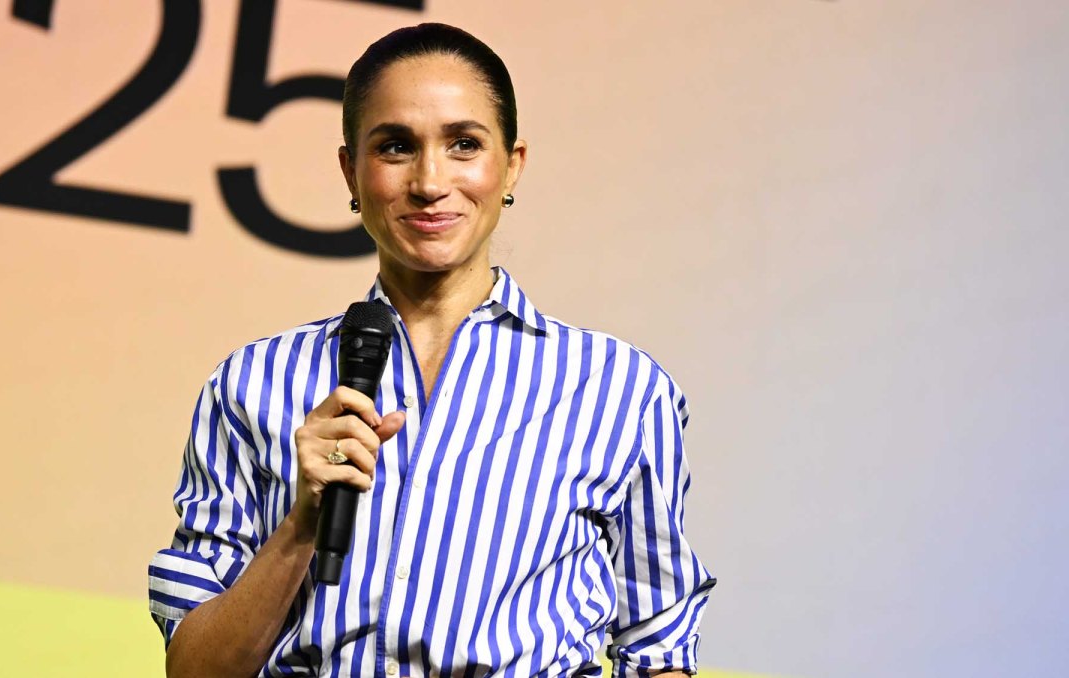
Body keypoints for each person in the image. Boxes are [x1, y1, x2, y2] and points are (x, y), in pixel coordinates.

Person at [148, 23, 715, 677]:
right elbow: (193, 670)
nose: (429, 181)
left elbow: (659, 649)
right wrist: (302, 524)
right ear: (350, 171)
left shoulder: (619, 389)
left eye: (464, 144)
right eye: (395, 146)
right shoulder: (254, 383)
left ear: (512, 165)